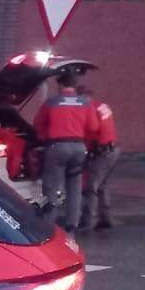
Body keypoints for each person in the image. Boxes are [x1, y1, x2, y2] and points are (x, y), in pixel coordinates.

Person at [35, 71, 97, 231]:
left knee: (52, 186)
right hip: (78, 148)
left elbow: (37, 124)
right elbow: (93, 127)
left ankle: (49, 224)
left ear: (60, 84)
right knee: (75, 187)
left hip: (57, 147)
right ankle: (72, 224)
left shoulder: (52, 102)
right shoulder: (85, 103)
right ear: (75, 85)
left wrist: (44, 138)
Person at [78, 83, 119, 232]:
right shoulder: (101, 105)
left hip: (102, 152)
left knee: (91, 187)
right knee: (102, 186)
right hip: (112, 149)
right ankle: (106, 218)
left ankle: (89, 222)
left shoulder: (88, 108)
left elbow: (92, 129)